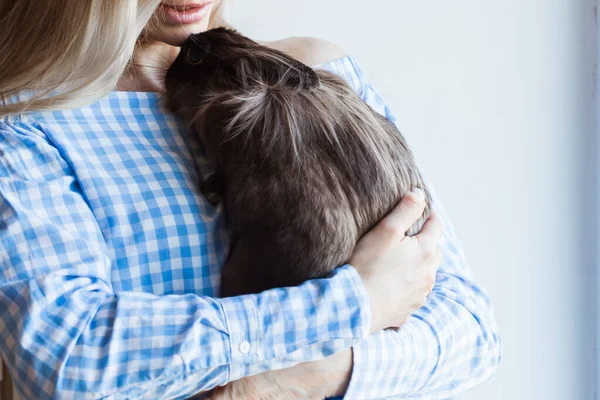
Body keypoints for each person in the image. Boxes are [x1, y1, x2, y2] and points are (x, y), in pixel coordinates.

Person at [0, 1, 501, 399]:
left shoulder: (314, 73)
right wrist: (356, 303)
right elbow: (68, 361)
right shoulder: (26, 121)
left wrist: (296, 381)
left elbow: (469, 333)